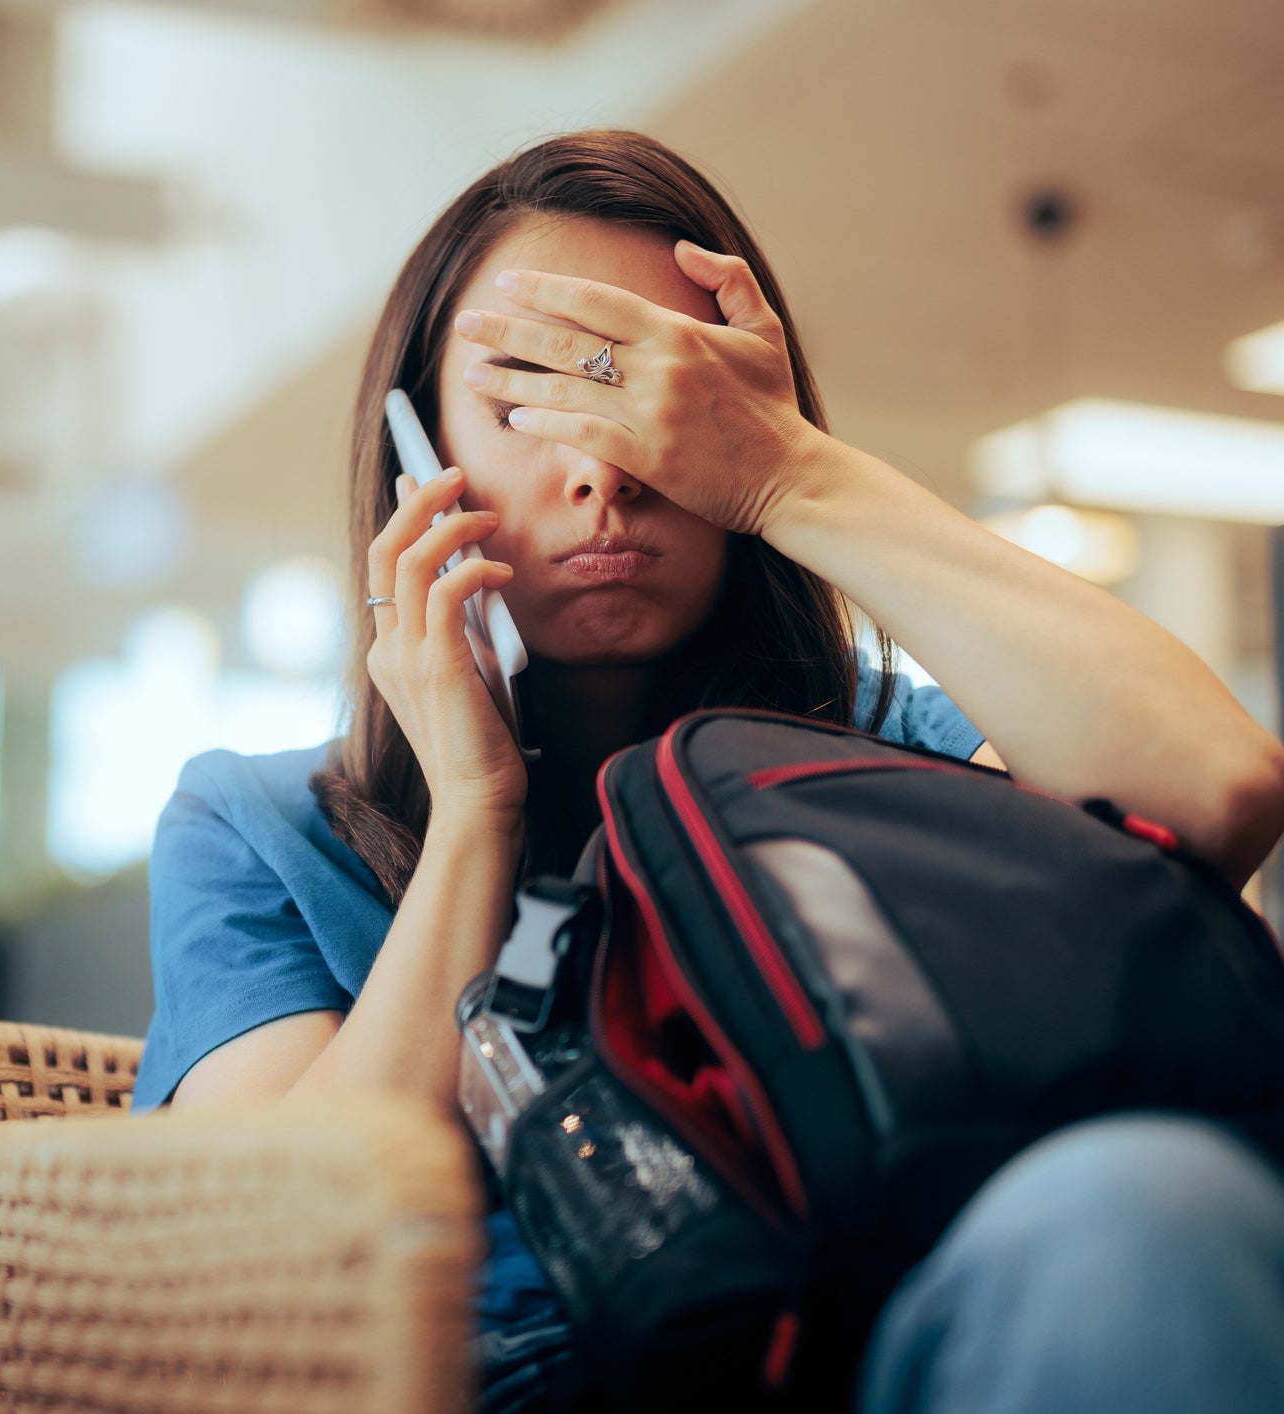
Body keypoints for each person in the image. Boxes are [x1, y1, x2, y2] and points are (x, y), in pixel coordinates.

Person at [129, 130, 1284, 1411]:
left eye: (658, 398)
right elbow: (269, 1267)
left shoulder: (892, 759)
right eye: (525, 403)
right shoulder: (258, 827)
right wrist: (475, 811)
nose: (601, 470)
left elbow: (1215, 791)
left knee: (1152, 1210)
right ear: (417, 457)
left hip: (873, 1341)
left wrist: (792, 472)